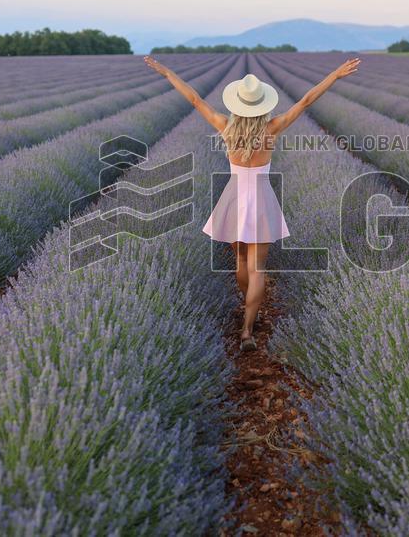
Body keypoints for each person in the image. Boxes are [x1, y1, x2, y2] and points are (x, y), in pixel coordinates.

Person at [144, 55, 360, 350]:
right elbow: (307, 100)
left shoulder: (225, 127)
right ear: (262, 105)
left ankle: (249, 310)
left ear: (236, 105)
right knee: (259, 268)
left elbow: (194, 99)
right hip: (260, 198)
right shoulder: (271, 129)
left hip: (233, 198)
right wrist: (334, 75)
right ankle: (248, 329)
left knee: (241, 260)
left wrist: (167, 73)